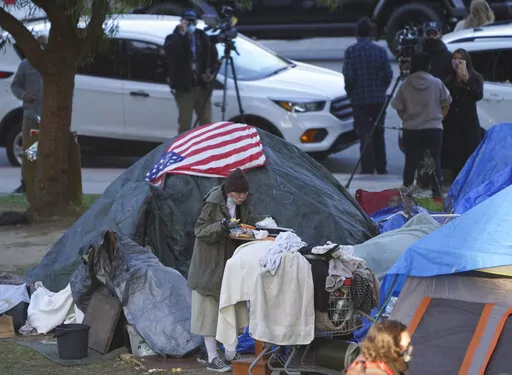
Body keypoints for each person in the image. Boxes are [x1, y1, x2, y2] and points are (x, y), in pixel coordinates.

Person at [187, 168, 257, 372]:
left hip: (229, 261)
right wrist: (221, 226)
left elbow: (248, 222)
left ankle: (230, 352)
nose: (242, 197)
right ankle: (211, 357)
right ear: (229, 191)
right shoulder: (213, 202)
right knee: (208, 311)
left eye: (245, 193)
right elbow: (200, 230)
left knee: (231, 306)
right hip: (208, 264)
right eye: (239, 194)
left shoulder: (243, 202)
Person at [391, 52, 452, 199]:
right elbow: (446, 103)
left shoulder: (405, 85)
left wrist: (407, 118)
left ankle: (407, 193)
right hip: (433, 129)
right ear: (428, 66)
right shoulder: (436, 83)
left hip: (411, 129)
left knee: (410, 162)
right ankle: (437, 195)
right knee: (434, 161)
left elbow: (398, 107)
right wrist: (438, 119)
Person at [343, 16, 393, 175]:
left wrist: (350, 93)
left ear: (357, 33)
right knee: (379, 133)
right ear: (371, 33)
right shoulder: (380, 51)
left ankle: (367, 169)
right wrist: (381, 89)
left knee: (364, 135)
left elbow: (349, 76)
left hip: (359, 100)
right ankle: (382, 167)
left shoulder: (351, 52)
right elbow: (388, 74)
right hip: (378, 99)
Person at [164, 9, 219, 134]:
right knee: (185, 123)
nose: (190, 24)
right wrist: (182, 35)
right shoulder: (173, 38)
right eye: (187, 21)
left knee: (206, 122)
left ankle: (205, 149)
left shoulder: (202, 37)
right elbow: (173, 54)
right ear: (181, 22)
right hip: (185, 89)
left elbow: (213, 58)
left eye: (192, 21)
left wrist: (210, 73)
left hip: (202, 87)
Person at [10, 35, 47, 194]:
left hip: (48, 115)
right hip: (31, 113)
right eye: (40, 46)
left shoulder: (51, 65)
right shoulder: (26, 65)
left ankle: (44, 183)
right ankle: (27, 183)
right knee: (30, 149)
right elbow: (15, 86)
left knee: (48, 149)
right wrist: (25, 95)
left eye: (45, 46)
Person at [442, 48, 484, 180]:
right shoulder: (448, 79)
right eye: (454, 58)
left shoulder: (475, 78)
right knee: (454, 160)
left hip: (468, 125)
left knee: (468, 159)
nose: (457, 62)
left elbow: (477, 95)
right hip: (452, 126)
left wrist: (466, 81)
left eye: (460, 59)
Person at [346, 320, 412, 375]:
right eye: (403, 348)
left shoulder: (373, 355)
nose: (407, 351)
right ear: (390, 349)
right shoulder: (374, 372)